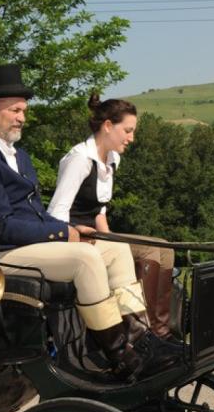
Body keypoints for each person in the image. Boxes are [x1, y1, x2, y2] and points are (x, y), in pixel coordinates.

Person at [0, 63, 179, 381]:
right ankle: (121, 356)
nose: (22, 117)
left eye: (24, 110)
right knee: (84, 258)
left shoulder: (20, 156)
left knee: (114, 250)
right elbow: (0, 226)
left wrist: (76, 231)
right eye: (16, 110)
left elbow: (36, 213)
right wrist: (62, 233)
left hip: (25, 245)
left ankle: (142, 339)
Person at [47, 94, 177, 341]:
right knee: (149, 252)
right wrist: (89, 239)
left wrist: (112, 241)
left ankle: (161, 331)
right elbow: (56, 213)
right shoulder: (80, 159)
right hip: (72, 237)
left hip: (94, 234)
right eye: (128, 131)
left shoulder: (111, 159)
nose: (132, 138)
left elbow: (100, 212)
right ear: (108, 126)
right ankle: (141, 331)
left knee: (165, 248)